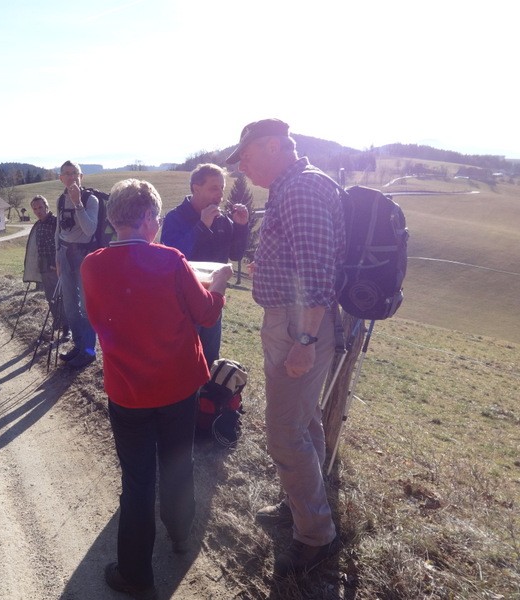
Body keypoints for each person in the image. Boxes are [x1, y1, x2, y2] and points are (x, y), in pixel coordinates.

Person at [81, 178, 233, 599]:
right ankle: (180, 534)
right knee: (178, 464)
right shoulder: (170, 259)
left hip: (127, 392)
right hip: (178, 388)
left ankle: (135, 573)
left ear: (114, 218)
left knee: (137, 481)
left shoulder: (92, 264)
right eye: (158, 217)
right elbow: (204, 314)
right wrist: (219, 281)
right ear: (148, 218)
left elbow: (100, 319)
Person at [226, 118, 345, 578]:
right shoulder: (292, 187)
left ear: (275, 147)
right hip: (293, 321)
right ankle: (302, 504)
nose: (245, 167)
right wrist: (268, 268)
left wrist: (305, 342)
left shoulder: (300, 190)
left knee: (283, 434)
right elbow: (299, 258)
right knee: (304, 421)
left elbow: (316, 274)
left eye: (249, 157)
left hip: (300, 326)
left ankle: (317, 537)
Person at [160, 163, 249, 366]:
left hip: (213, 300)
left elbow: (235, 255)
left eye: (221, 189)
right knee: (183, 359)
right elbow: (171, 258)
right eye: (213, 188)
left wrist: (241, 227)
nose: (219, 195)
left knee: (209, 358)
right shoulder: (176, 217)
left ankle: (206, 396)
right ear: (195, 188)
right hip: (182, 304)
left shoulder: (223, 220)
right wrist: (201, 227)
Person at [55, 160, 98, 369]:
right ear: (61, 178)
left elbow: (89, 230)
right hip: (64, 254)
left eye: (75, 173)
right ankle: (79, 346)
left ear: (81, 177)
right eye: (67, 173)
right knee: (70, 306)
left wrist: (78, 202)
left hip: (84, 256)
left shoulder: (91, 200)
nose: (72, 177)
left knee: (86, 308)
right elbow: (58, 229)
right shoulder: (60, 199)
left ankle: (89, 351)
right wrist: (57, 254)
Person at [28, 195, 69, 342]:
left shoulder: (56, 222)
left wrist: (58, 263)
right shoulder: (38, 225)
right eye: (35, 209)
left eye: (40, 207)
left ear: (46, 207)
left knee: (63, 298)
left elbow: (63, 243)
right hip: (44, 268)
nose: (38, 211)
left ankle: (66, 330)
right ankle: (57, 323)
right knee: (51, 298)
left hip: (56, 266)